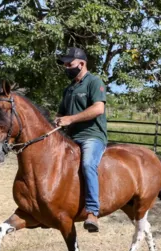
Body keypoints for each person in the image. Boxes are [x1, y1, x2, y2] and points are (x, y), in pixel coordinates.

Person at [55, 47, 107, 233]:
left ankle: (92, 212)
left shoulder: (94, 82)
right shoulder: (69, 89)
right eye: (66, 65)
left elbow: (98, 109)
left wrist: (71, 119)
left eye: (70, 64)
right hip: (70, 137)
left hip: (92, 136)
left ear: (82, 64)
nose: (67, 68)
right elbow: (61, 113)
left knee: (87, 165)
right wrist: (56, 120)